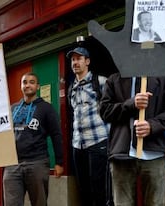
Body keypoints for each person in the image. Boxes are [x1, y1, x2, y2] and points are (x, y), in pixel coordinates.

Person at [99, 74, 165, 205]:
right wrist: (131, 103)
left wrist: (152, 126)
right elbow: (104, 111)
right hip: (121, 153)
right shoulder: (114, 79)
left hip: (154, 153)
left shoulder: (162, 78)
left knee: (155, 203)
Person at [3, 72, 64, 206]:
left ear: (38, 86)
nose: (27, 85)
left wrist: (59, 162)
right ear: (21, 86)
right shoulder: (13, 109)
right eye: (24, 82)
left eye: (31, 82)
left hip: (37, 162)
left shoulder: (46, 108)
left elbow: (56, 134)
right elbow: (3, 136)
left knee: (39, 203)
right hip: (12, 165)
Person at [66, 46, 110, 206]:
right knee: (83, 190)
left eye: (79, 59)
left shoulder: (101, 82)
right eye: (73, 59)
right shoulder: (71, 87)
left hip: (98, 142)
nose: (75, 62)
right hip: (78, 144)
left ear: (88, 61)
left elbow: (112, 109)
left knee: (100, 190)